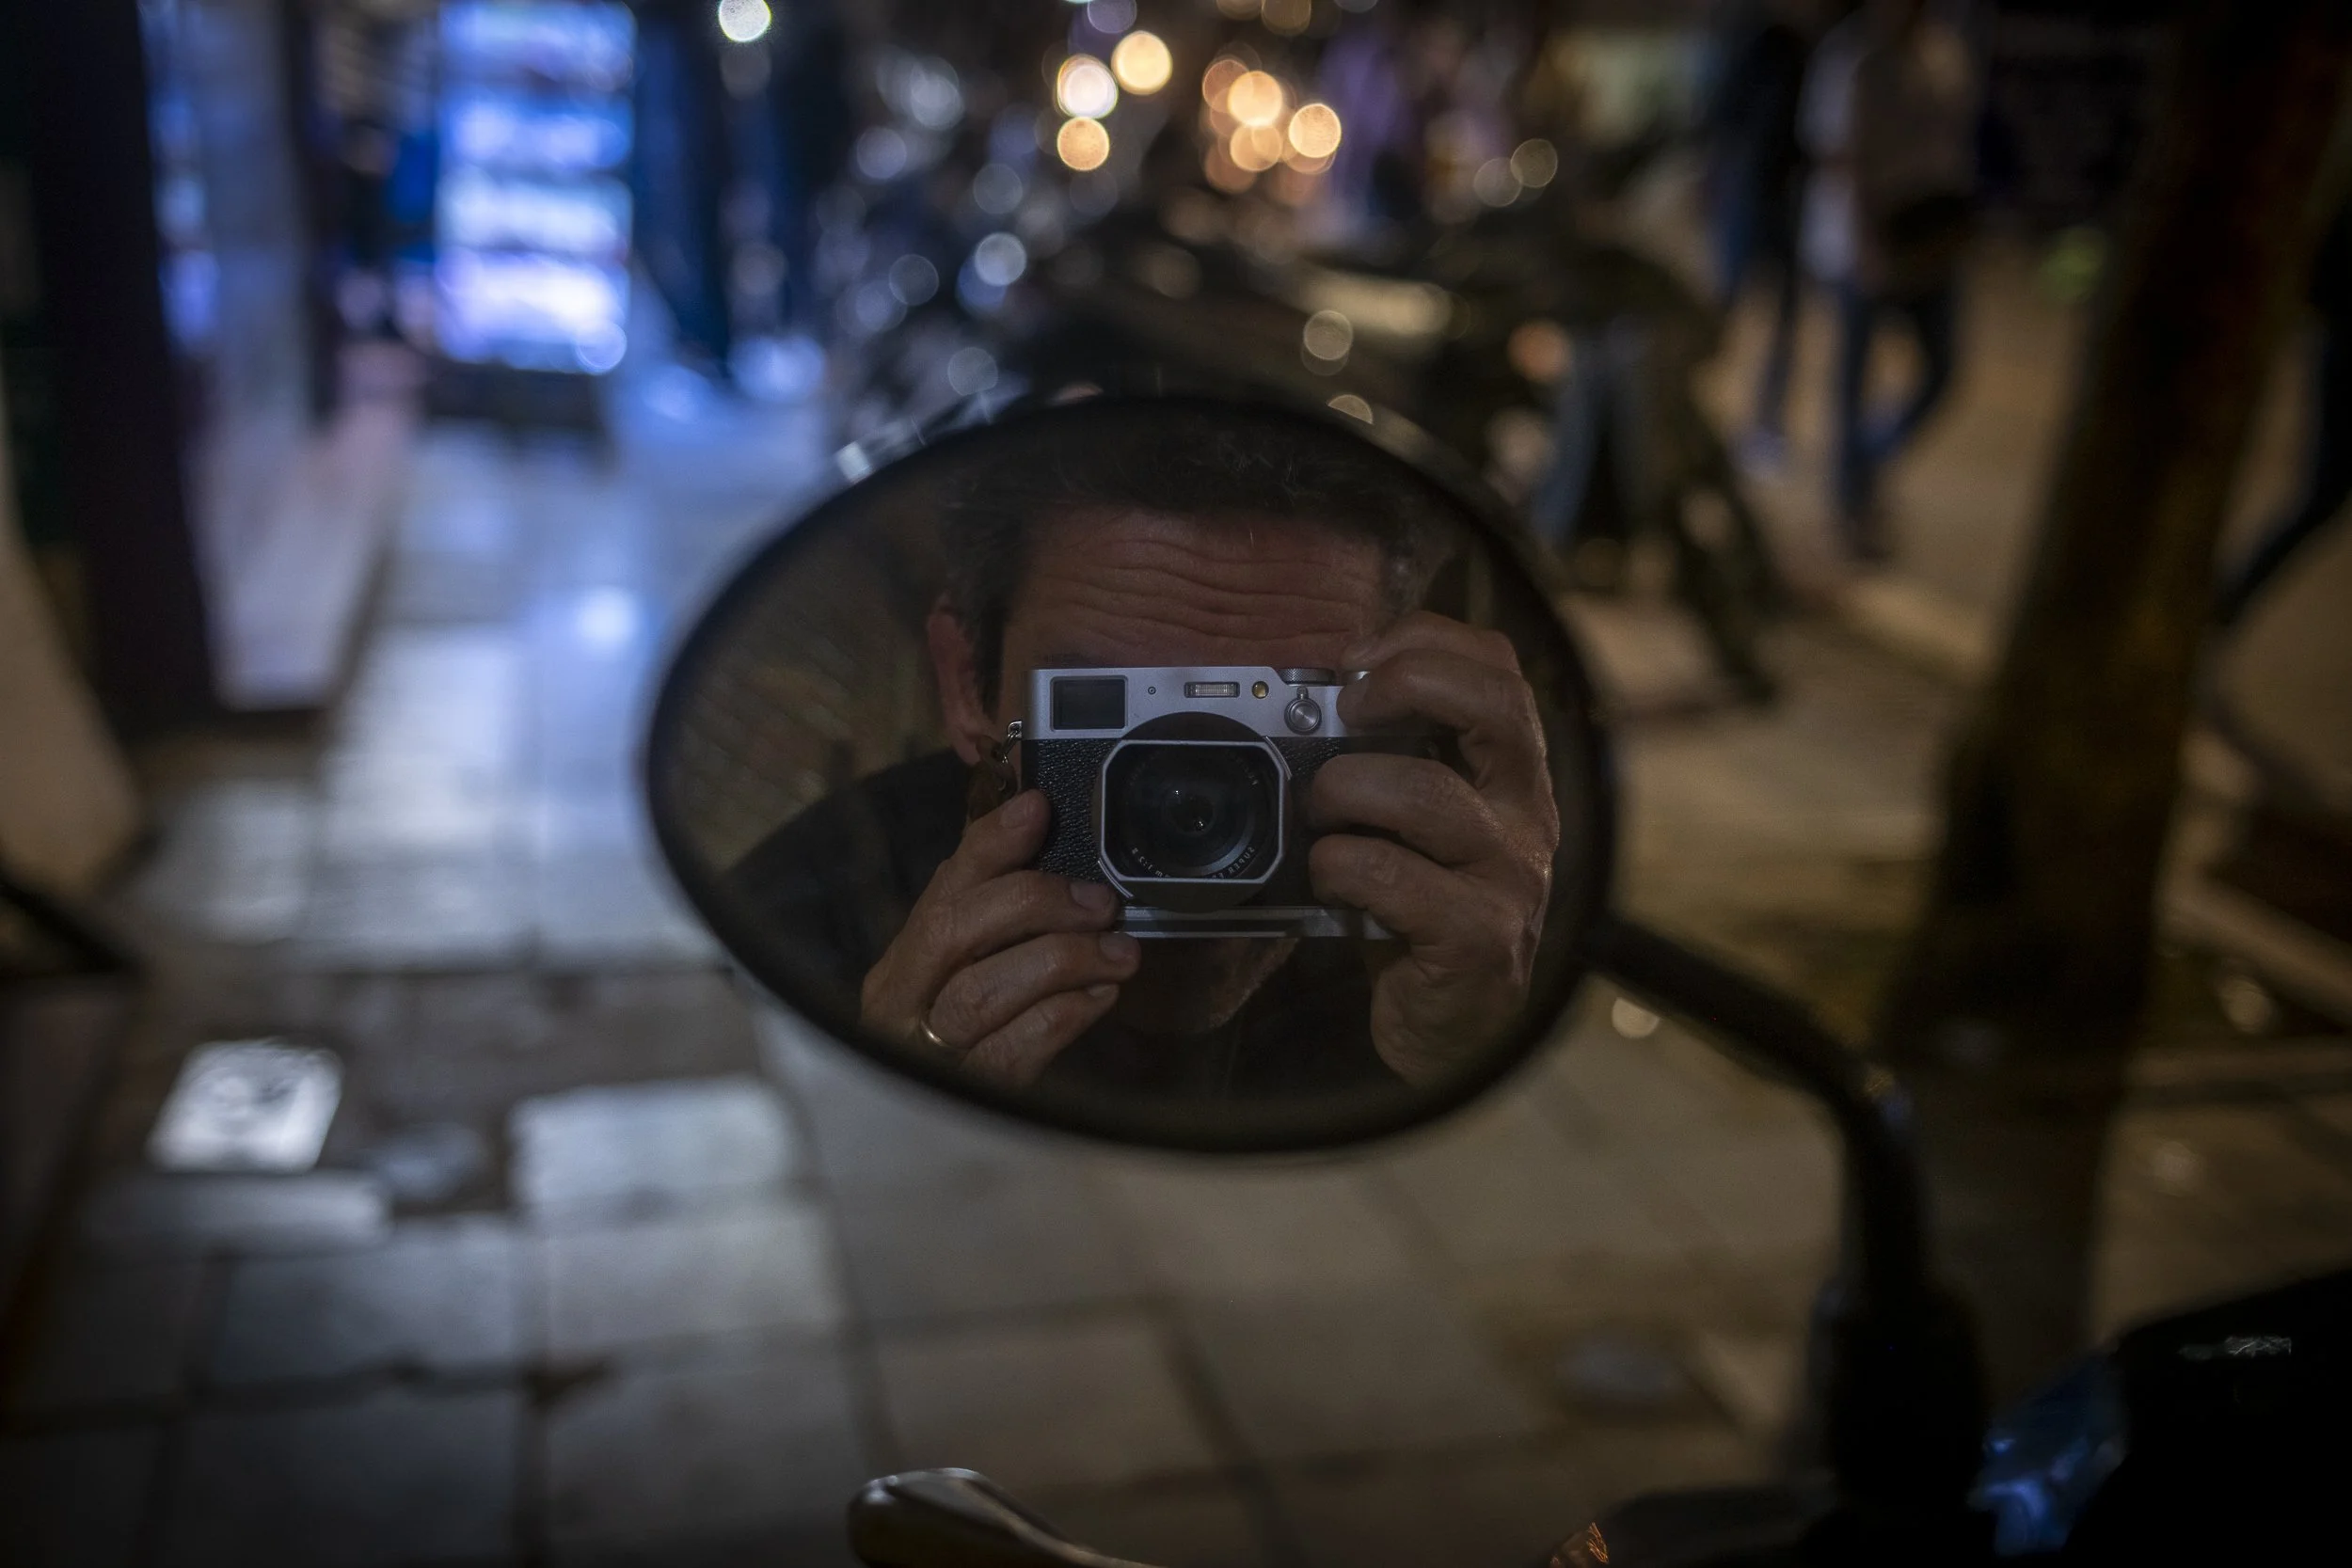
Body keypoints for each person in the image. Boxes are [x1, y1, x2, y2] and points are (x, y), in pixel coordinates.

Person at [732, 414, 1563, 1105]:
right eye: (1107, 708)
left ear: (1393, 708)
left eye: (1287, 709)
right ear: (967, 688)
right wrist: (890, 1112)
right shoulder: (803, 933)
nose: (1187, 786)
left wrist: (1466, 1055)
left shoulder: (1428, 941)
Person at [1801, 0, 1977, 559]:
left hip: (1930, 238)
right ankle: (1852, 501)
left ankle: (1868, 458)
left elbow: (1952, 141)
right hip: (1863, 243)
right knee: (1853, 380)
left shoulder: (1944, 48)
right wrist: (1868, 245)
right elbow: (1839, 156)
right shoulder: (1852, 57)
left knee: (1942, 369)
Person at [2215, 195, 2352, 629]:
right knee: (2322, 495)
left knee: (2321, 496)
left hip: (2338, 340)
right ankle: (2217, 613)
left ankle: (2217, 613)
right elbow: (2322, 277)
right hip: (2344, 348)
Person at [1704, 0, 1817, 466]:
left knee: (1784, 323)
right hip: (1749, 196)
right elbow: (1721, 118)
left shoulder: (1811, 45)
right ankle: (1699, 413)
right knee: (1725, 311)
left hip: (1787, 200)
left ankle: (1765, 423)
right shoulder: (1749, 38)